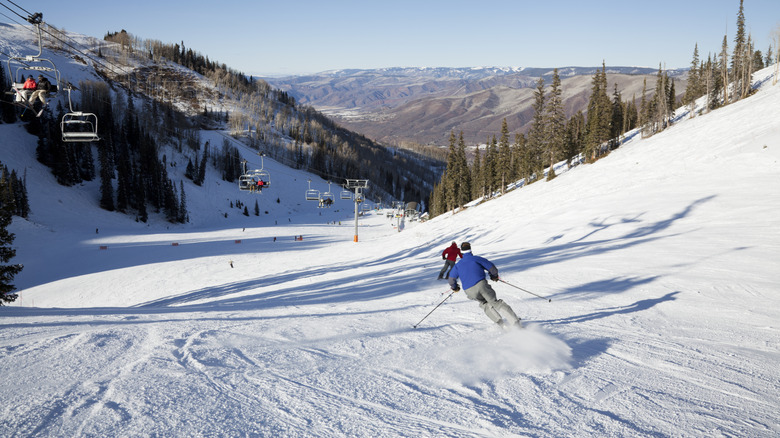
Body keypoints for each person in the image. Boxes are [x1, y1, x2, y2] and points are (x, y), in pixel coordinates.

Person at [448, 242, 522, 328]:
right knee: (495, 303)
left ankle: (502, 325)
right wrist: (494, 276)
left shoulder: (458, 265)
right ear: (471, 250)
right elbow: (491, 267)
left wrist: (455, 287)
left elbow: (451, 279)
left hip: (469, 291)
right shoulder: (476, 259)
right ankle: (515, 323)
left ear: (461, 252)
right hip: (481, 285)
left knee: (484, 304)